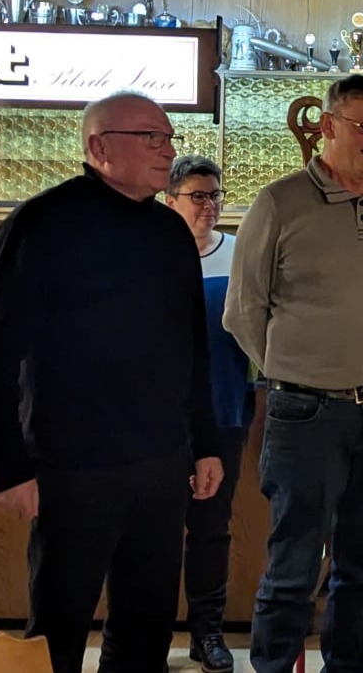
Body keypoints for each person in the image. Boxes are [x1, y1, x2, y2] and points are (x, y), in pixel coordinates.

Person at [0, 91, 223, 673]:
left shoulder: (169, 232)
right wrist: (5, 465)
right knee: (59, 626)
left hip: (160, 462)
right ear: (100, 147)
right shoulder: (40, 224)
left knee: (147, 625)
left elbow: (192, 349)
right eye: (150, 137)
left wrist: (204, 442)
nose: (167, 150)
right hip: (70, 465)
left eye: (168, 137)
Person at [224, 74, 363, 673]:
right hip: (307, 413)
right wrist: (296, 369)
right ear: (328, 127)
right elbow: (243, 311)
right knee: (293, 564)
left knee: (362, 562)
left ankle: (348, 666)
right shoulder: (279, 202)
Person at [165, 155, 254, 673]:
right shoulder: (152, 253)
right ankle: (145, 636)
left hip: (222, 410)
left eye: (215, 195)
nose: (209, 205)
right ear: (170, 199)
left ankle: (208, 633)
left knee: (211, 528)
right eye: (198, 196)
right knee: (151, 532)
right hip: (157, 417)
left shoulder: (240, 256)